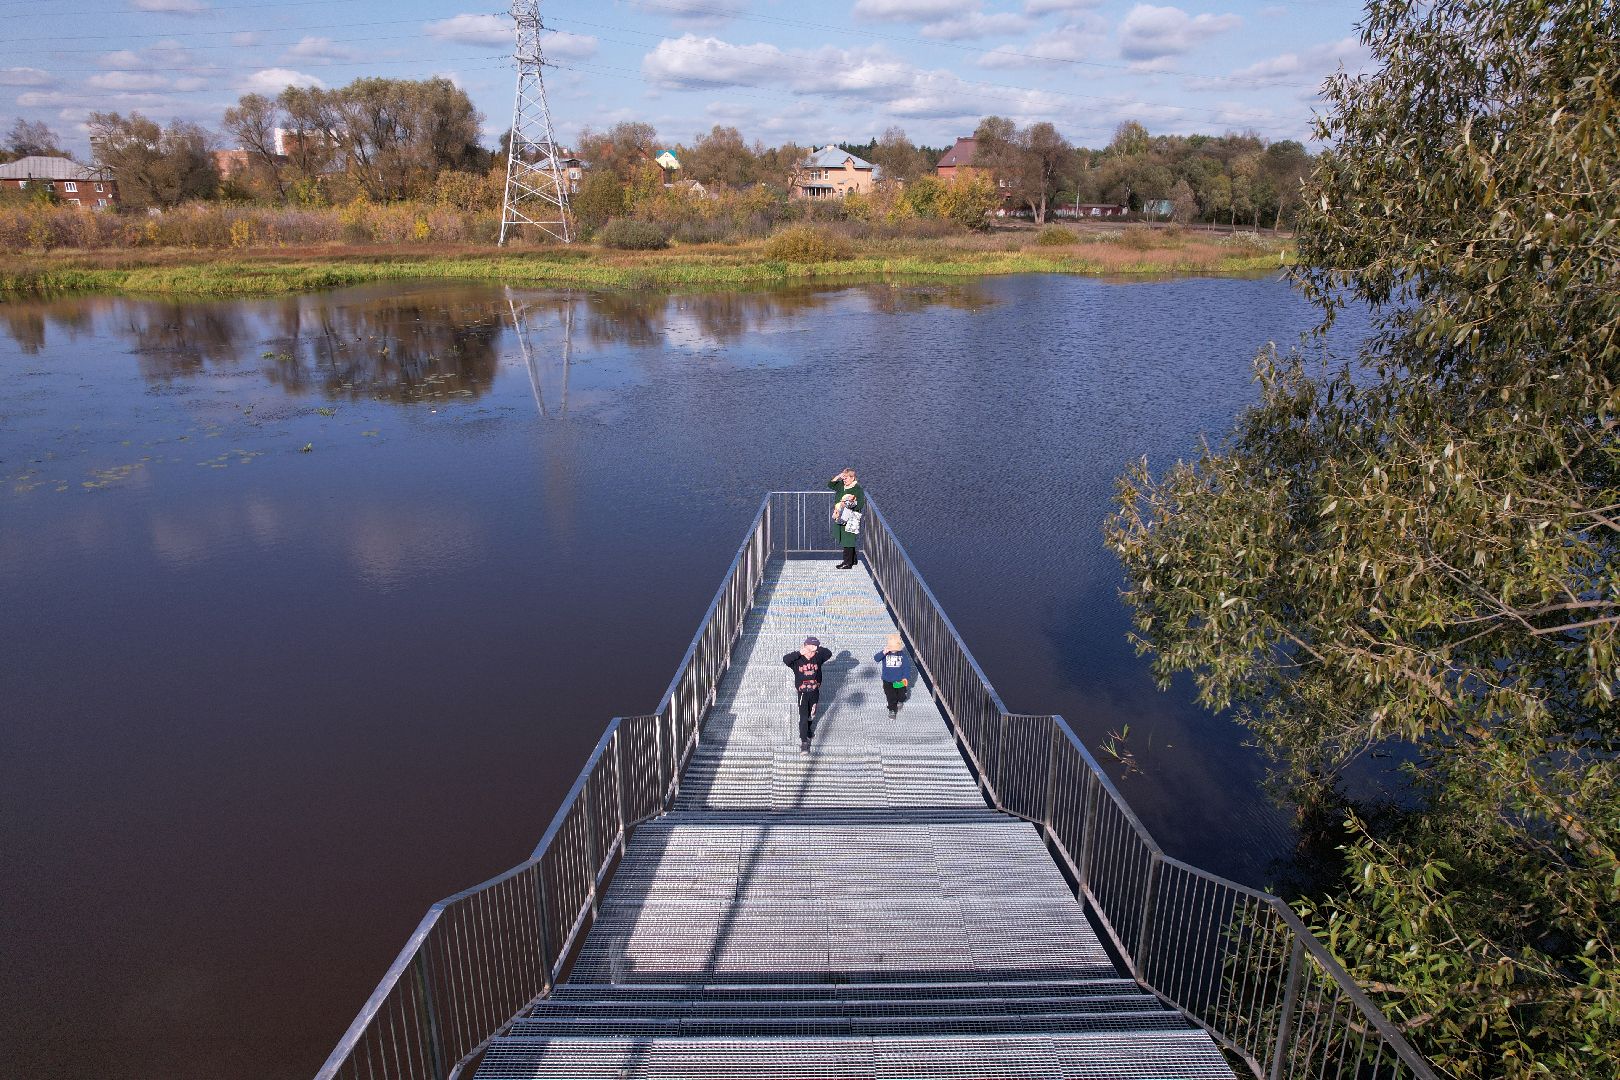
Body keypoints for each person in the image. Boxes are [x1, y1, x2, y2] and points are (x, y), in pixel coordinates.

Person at [782, 636, 833, 753]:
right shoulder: (797, 660)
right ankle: (804, 742)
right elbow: (786, 659)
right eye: (809, 650)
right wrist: (800, 652)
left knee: (812, 714)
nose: (811, 653)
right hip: (803, 694)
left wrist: (816, 648)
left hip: (814, 692)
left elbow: (828, 653)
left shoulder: (818, 657)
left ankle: (809, 730)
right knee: (804, 717)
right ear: (804, 647)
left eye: (813, 651)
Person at [827, 468, 866, 569]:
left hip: (851, 517)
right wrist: (838, 476)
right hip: (840, 515)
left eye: (846, 478)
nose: (844, 480)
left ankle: (847, 563)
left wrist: (848, 504)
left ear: (852, 478)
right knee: (845, 537)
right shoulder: (841, 485)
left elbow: (860, 504)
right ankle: (853, 559)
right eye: (843, 478)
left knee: (848, 539)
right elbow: (830, 485)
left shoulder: (857, 488)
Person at [873, 633, 913, 719]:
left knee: (901, 694)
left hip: (899, 680)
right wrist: (883, 653)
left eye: (895, 648)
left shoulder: (902, 655)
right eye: (892, 648)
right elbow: (876, 658)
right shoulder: (885, 654)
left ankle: (901, 700)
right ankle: (892, 709)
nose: (893, 650)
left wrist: (905, 677)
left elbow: (906, 667)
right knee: (890, 696)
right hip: (887, 680)